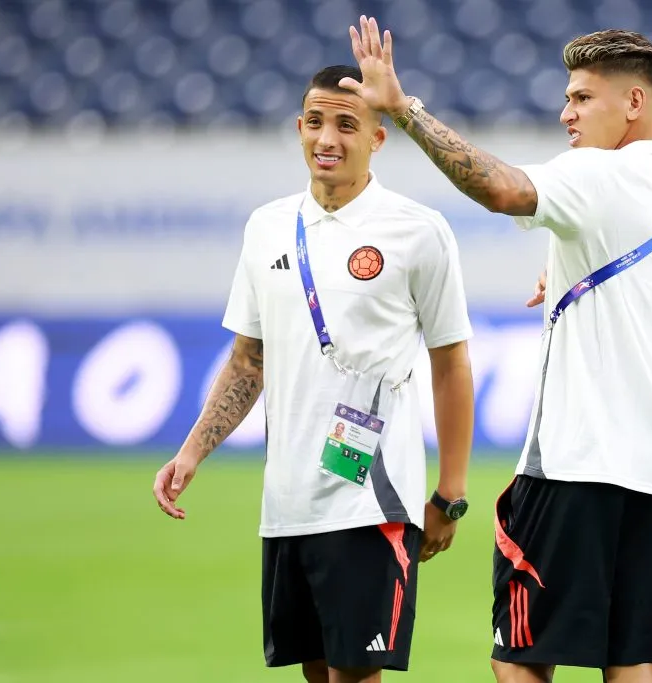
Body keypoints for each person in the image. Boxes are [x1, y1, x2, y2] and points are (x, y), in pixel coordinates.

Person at [341, 18, 652, 683]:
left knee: (520, 658)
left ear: (633, 103)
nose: (565, 113)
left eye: (582, 97)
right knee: (637, 663)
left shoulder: (598, 176)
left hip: (573, 470)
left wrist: (404, 110)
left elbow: (501, 188)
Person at [152, 64, 476, 683]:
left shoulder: (417, 230)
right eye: (317, 122)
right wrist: (192, 452)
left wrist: (451, 493)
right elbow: (250, 359)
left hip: (371, 500)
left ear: (377, 139)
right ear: (299, 128)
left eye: (347, 124)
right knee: (317, 672)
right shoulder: (266, 227)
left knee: (357, 675)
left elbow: (451, 360)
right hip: (288, 502)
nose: (328, 138)